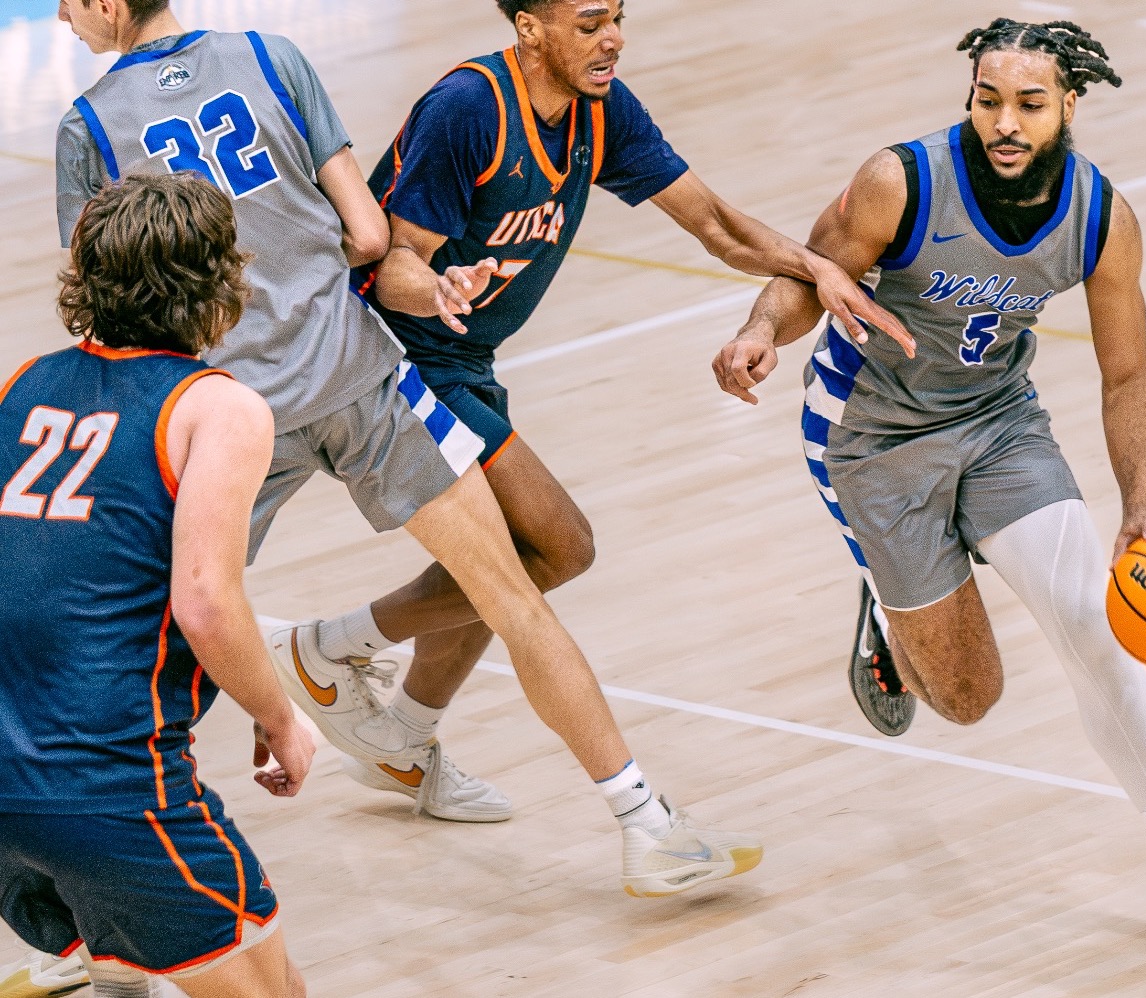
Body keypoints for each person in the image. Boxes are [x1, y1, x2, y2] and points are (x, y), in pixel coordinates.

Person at [53, 0, 759, 899]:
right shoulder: (270, 57)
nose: (64, 15)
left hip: (225, 411)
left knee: (135, 644)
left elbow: (104, 307)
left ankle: (89, 894)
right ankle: (647, 828)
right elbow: (369, 236)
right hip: (359, 379)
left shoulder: (87, 127)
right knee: (514, 599)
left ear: (108, 3)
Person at [711, 18, 1146, 969]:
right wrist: (762, 330)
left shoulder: (1101, 218)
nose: (1004, 122)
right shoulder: (900, 181)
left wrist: (1140, 504)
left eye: (1029, 104)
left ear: (1069, 106)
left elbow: (1127, 372)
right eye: (988, 100)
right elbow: (811, 272)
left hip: (1000, 423)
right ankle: (885, 602)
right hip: (870, 437)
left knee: (1093, 627)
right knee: (968, 698)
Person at [293, 0, 911, 815]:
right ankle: (328, 650)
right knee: (559, 544)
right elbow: (392, 261)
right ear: (530, 29)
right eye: (590, 23)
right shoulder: (468, 108)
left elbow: (716, 224)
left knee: (516, 552)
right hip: (394, 354)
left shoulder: (601, 110)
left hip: (464, 359)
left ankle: (403, 735)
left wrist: (816, 268)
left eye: (617, 16)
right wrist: (438, 287)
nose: (612, 37)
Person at [0, 174, 314, 997]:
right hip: (106, 789)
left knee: (118, 962)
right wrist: (279, 717)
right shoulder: (217, 409)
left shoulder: (20, 385)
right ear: (221, 283)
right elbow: (205, 603)